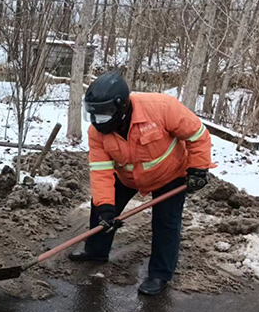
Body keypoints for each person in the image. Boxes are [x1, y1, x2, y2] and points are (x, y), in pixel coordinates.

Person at [70, 71, 213, 295]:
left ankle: (159, 274)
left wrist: (199, 168)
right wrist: (107, 208)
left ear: (121, 108)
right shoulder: (97, 132)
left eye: (104, 115)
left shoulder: (162, 107)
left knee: (166, 223)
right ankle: (96, 251)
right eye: (93, 115)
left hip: (170, 174)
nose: (98, 121)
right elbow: (100, 172)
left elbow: (198, 135)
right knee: (101, 209)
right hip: (127, 176)